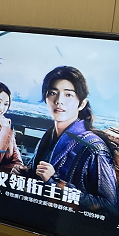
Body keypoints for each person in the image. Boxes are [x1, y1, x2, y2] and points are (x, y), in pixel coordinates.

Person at [29, 66, 118, 218]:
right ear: (45, 99)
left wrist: (55, 183)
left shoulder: (94, 148)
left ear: (82, 103)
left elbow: (109, 206)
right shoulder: (48, 136)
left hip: (69, 226)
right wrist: (24, 172)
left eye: (68, 95)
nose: (59, 101)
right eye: (53, 93)